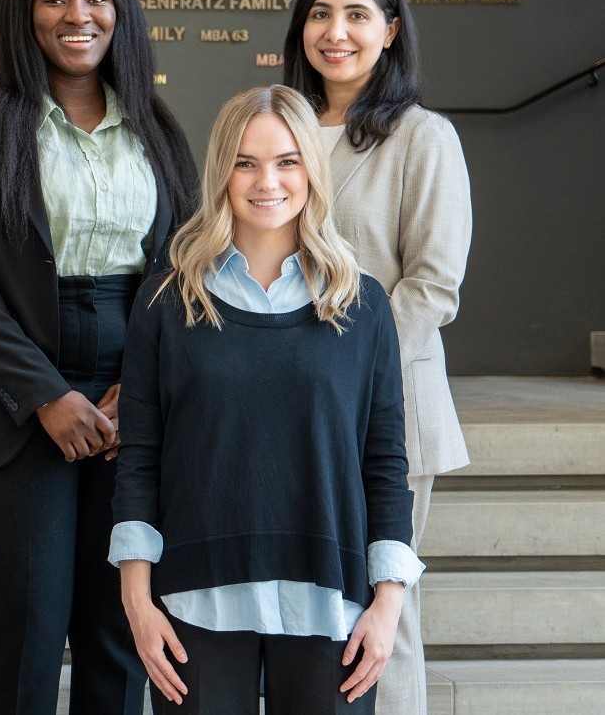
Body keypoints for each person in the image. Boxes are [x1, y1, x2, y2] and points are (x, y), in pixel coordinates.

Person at [0, 0, 198, 715]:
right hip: (15, 404)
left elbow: (185, 269)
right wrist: (45, 394)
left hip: (132, 387)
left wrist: (136, 391)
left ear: (122, 15)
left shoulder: (161, 135)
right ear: (25, 14)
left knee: (120, 625)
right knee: (27, 623)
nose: (78, 15)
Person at [112, 85, 419, 713]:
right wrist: (137, 602)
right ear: (221, 173)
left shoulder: (363, 308)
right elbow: (140, 457)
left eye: (286, 161)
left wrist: (388, 604)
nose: (266, 181)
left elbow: (385, 463)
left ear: (312, 169)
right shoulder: (167, 303)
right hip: (196, 600)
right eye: (245, 162)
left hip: (331, 602)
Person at [283, 0, 473, 715]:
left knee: (382, 610)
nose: (337, 32)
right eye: (321, 14)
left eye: (358, 15)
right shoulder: (282, 127)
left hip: (384, 410)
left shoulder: (422, 137)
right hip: (287, 405)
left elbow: (432, 286)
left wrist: (347, 374)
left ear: (390, 31)